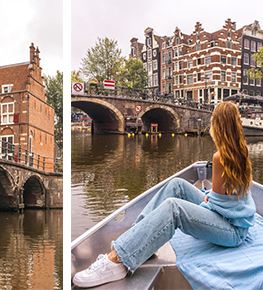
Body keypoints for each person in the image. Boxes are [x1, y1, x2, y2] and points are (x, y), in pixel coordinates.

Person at [73, 101, 256, 288]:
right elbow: (229, 196)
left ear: (217, 125)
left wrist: (208, 200)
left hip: (231, 232)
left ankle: (118, 259)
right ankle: (138, 236)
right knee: (177, 185)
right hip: (232, 219)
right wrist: (210, 198)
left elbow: (216, 203)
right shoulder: (240, 151)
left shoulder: (220, 157)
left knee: (173, 207)